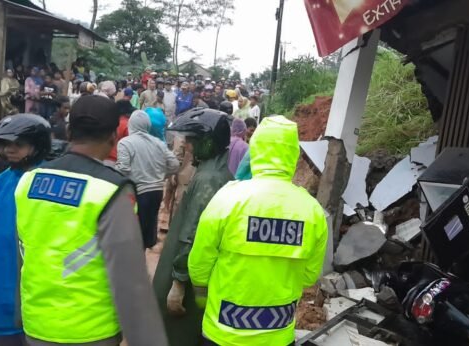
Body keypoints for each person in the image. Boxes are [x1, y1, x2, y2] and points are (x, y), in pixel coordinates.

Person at [13, 95, 168, 345]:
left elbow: (23, 252)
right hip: (90, 329)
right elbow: (129, 279)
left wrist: (20, 313)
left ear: (69, 131)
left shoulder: (29, 181)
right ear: (113, 137)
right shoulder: (110, 190)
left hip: (36, 324)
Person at [188, 116, 328, 345]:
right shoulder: (312, 211)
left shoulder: (229, 198)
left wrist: (204, 297)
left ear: (256, 151)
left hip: (223, 332)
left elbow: (199, 266)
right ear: (293, 155)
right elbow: (309, 276)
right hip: (278, 334)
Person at [0, 114, 51, 345]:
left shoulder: (50, 182)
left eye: (18, 144)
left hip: (41, 285)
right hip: (3, 284)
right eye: (5, 144)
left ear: (38, 145)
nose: (9, 150)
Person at [153, 108, 233, 346]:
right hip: (191, 272)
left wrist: (178, 282)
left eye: (191, 140)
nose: (187, 146)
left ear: (207, 143)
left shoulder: (209, 179)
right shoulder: (213, 172)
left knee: (177, 333)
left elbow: (193, 233)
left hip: (186, 278)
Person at [116, 110, 180, 248]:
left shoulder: (125, 143)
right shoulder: (158, 143)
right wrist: (161, 175)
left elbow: (123, 170)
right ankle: (142, 256)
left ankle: (132, 259)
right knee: (147, 231)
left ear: (131, 124)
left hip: (137, 193)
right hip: (157, 192)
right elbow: (175, 165)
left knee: (133, 232)